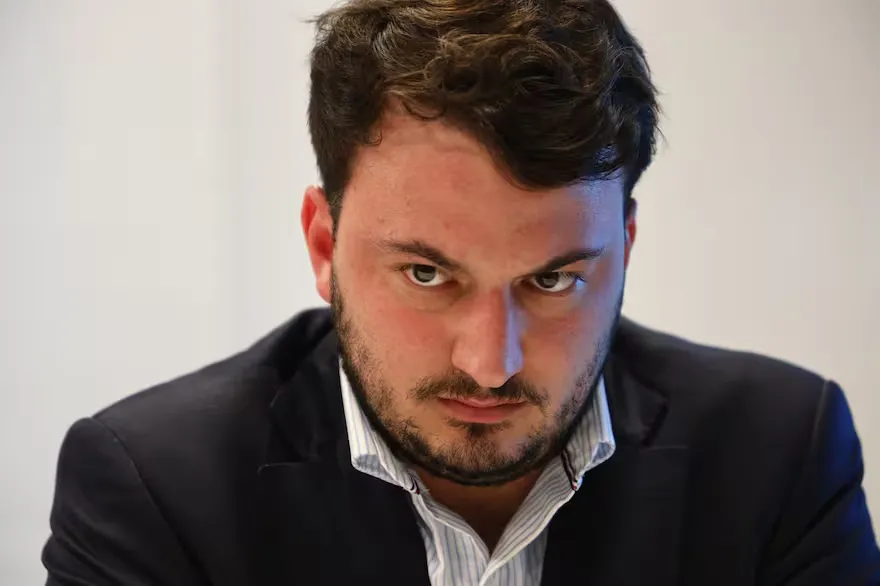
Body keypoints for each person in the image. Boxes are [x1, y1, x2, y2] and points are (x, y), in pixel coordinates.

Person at [42, 0, 880, 584]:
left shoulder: (780, 454)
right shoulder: (156, 487)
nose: (489, 363)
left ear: (625, 249)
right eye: (426, 273)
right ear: (323, 244)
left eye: (552, 279)